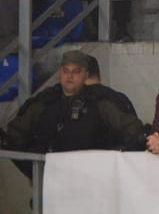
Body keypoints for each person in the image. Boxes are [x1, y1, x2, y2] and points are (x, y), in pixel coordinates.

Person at [0, 49, 145, 155]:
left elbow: (134, 133)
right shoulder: (45, 101)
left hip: (92, 178)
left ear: (86, 75)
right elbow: (14, 136)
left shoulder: (100, 102)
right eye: (65, 71)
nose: (69, 76)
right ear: (60, 72)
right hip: (51, 177)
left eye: (76, 71)